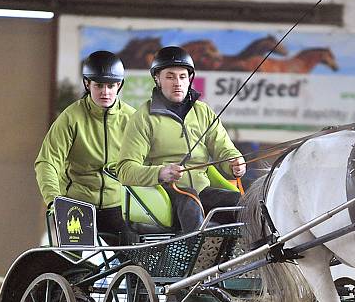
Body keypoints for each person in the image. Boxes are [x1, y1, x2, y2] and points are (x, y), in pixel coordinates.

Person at [117, 46, 245, 233]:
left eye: (182, 76)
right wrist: (161, 172)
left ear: (189, 79)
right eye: (170, 76)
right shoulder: (143, 117)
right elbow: (125, 171)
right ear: (157, 79)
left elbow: (225, 149)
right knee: (190, 199)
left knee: (241, 203)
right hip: (164, 194)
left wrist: (234, 163)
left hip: (202, 190)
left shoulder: (203, 111)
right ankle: (199, 251)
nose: (177, 83)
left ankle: (240, 250)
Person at [35, 50, 136, 245]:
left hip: (117, 205)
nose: (105, 92)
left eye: (111, 86)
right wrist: (54, 201)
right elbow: (47, 162)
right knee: (71, 263)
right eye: (98, 85)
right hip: (76, 204)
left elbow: (147, 161)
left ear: (119, 85)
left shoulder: (132, 119)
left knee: (136, 256)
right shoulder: (71, 117)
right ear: (87, 84)